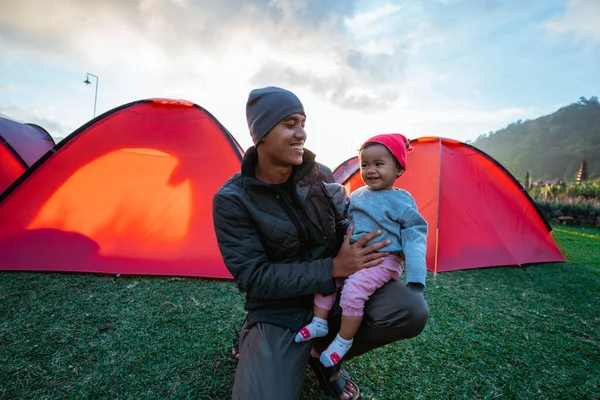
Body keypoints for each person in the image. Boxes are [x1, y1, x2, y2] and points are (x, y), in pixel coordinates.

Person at [212, 86, 429, 400]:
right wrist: (333, 267)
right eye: (290, 124)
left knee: (409, 309)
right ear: (261, 133)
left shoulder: (320, 175)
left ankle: (324, 358)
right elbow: (255, 279)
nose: (302, 133)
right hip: (279, 311)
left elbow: (342, 226)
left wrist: (380, 239)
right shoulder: (233, 200)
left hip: (336, 295)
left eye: (303, 123)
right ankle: (254, 337)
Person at [294, 134, 428, 369]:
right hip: (354, 254)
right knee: (328, 280)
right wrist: (336, 197)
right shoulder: (358, 194)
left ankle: (343, 341)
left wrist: (416, 275)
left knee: (353, 291)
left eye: (379, 164)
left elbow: (415, 233)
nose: (370, 170)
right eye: (365, 164)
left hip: (383, 259)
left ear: (398, 169)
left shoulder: (402, 201)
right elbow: (346, 213)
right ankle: (319, 321)